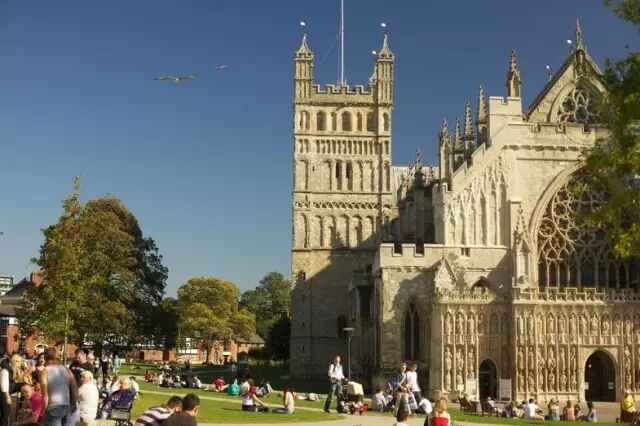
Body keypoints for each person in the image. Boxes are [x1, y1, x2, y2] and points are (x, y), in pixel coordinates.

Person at [39, 347, 78, 426]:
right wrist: (74, 403)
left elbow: (45, 395)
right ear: (56, 356)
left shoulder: (45, 372)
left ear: (45, 358)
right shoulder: (66, 369)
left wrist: (44, 411)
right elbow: (74, 387)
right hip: (66, 405)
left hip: (53, 407)